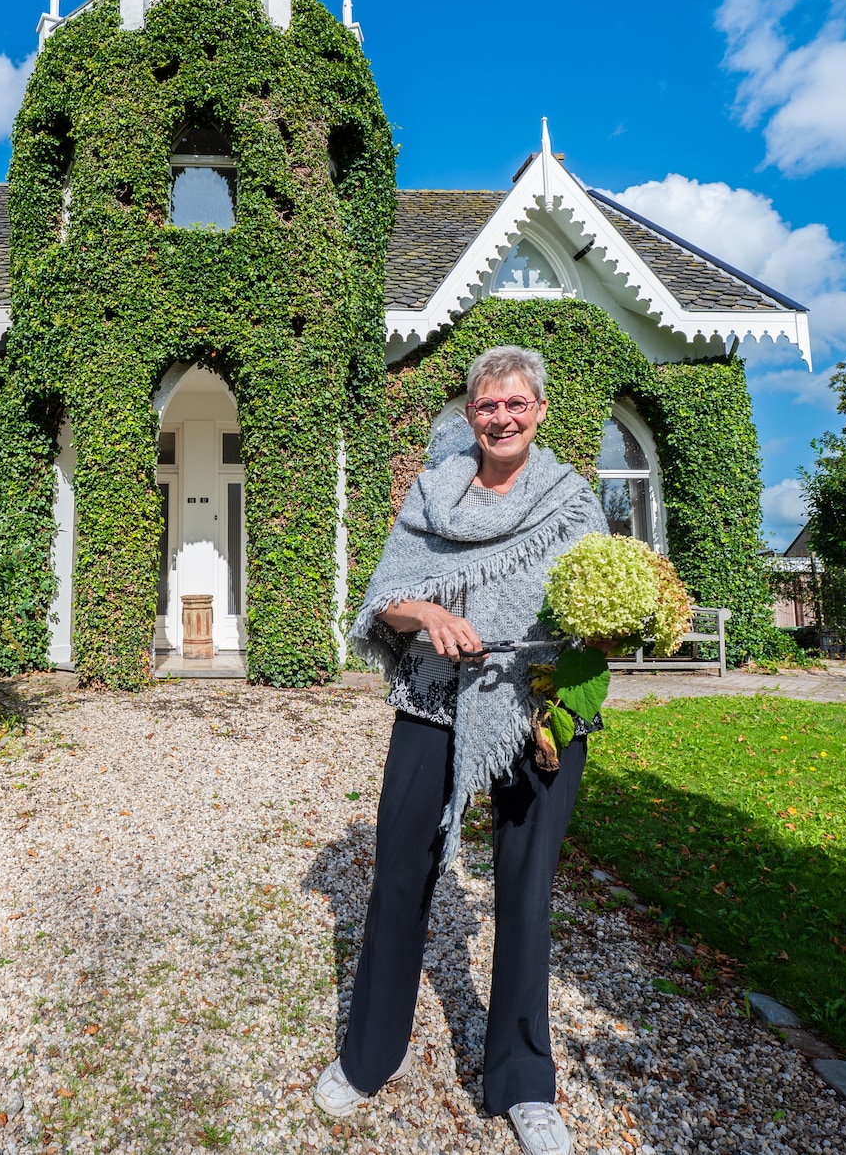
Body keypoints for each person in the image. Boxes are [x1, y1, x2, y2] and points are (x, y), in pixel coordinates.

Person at [313, 344, 608, 1155]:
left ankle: (524, 1081)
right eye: (487, 405)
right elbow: (386, 596)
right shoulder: (433, 492)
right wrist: (430, 616)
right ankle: (367, 1058)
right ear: (471, 413)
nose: (501, 417)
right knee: (399, 875)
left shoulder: (571, 501)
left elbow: (602, 606)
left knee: (526, 892)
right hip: (434, 702)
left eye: (516, 403)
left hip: (538, 712)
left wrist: (613, 633)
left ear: (539, 410)